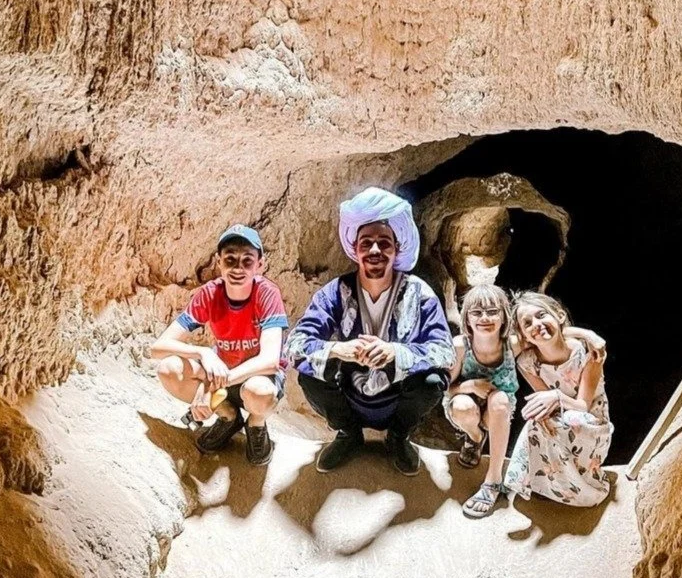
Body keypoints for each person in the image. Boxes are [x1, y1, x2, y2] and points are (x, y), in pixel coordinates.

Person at [287, 188, 455, 475]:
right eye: (366, 243)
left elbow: (444, 351)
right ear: (355, 250)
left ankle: (399, 437)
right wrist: (337, 350)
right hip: (350, 395)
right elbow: (295, 344)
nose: (375, 250)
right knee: (309, 373)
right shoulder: (335, 293)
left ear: (396, 248)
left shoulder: (420, 293)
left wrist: (395, 353)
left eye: (383, 243)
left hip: (399, 396)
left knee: (432, 380)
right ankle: (348, 434)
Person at [149, 224, 288, 466]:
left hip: (257, 377)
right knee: (168, 369)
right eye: (230, 259)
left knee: (259, 392)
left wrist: (210, 389)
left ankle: (256, 423)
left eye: (247, 260)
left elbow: (270, 361)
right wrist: (202, 352)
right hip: (224, 373)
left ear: (260, 265)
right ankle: (228, 417)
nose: (238, 268)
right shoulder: (210, 294)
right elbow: (158, 348)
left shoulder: (266, 293)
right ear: (219, 262)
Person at [503, 292, 613, 507]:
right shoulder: (528, 363)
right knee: (538, 422)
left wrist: (556, 396)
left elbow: (583, 406)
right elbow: (546, 404)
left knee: (571, 418)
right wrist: (542, 409)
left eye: (542, 315)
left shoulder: (588, 352)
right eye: (527, 323)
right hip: (562, 417)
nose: (537, 324)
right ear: (524, 336)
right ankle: (550, 487)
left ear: (559, 316)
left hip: (590, 422)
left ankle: (583, 492)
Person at [443, 286, 520, 519]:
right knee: (462, 406)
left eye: (492, 311)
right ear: (467, 318)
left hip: (499, 410)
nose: (485, 318)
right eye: (476, 313)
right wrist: (470, 386)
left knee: (500, 400)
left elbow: (552, 333)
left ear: (504, 316)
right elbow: (445, 388)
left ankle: (493, 480)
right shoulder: (460, 346)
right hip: (467, 407)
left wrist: (589, 337)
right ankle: (475, 438)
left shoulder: (513, 344)